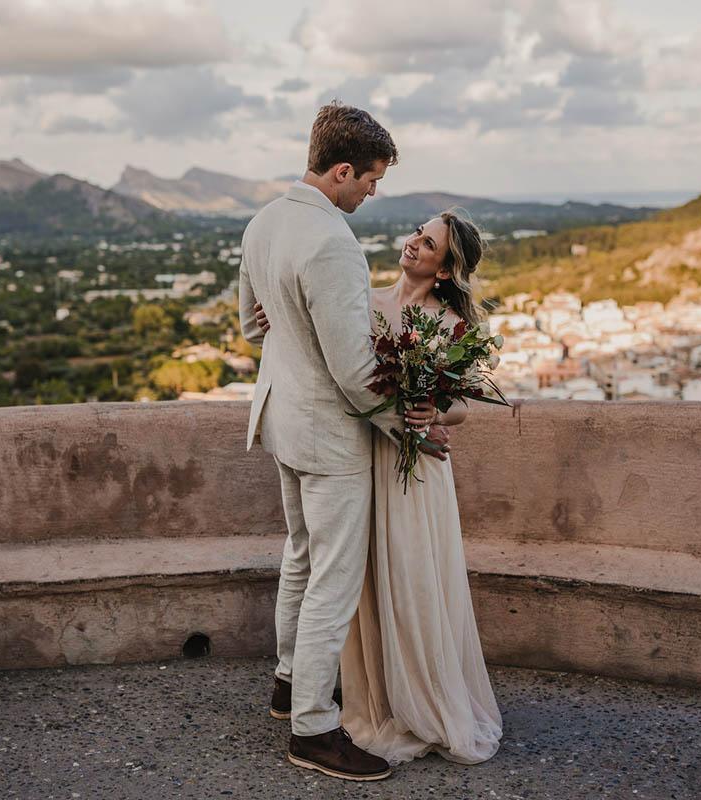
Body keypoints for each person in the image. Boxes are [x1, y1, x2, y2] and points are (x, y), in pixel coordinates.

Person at [253, 209, 503, 766]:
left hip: (416, 472)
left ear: (444, 269)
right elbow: (321, 341)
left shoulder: (451, 325)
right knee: (359, 578)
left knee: (412, 578)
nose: (413, 243)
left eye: (428, 243)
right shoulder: (363, 300)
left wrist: (430, 409)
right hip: (363, 456)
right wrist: (277, 317)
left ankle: (418, 699)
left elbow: (461, 405)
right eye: (418, 233)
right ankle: (368, 694)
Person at [237, 102, 440, 782]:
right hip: (326, 433)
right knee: (333, 578)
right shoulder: (330, 241)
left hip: (280, 421)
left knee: (300, 556)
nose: (373, 194)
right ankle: (315, 730)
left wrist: (284, 324)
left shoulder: (264, 220)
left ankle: (289, 683)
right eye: (372, 181)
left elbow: (252, 327)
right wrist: (405, 425)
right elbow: (356, 372)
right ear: (344, 170)